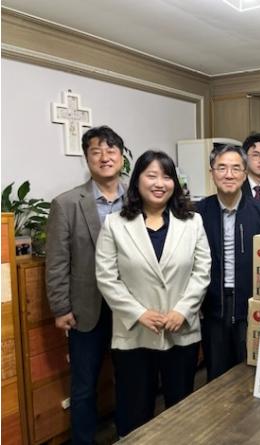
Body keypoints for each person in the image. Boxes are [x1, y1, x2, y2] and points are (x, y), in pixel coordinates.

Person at [95, 150, 211, 436]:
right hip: (135, 332)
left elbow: (202, 271)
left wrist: (182, 310)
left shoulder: (192, 222)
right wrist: (139, 313)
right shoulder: (115, 224)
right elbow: (107, 278)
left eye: (167, 176)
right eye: (152, 176)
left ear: (175, 183)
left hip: (180, 329)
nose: (160, 183)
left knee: (181, 410)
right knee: (134, 411)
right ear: (137, 181)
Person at [45, 125, 127, 445]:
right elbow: (56, 261)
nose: (104, 157)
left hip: (129, 306)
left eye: (111, 150)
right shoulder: (66, 203)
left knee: (130, 379)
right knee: (83, 386)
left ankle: (130, 435)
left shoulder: (138, 198)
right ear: (87, 158)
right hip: (85, 309)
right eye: (96, 151)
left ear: (121, 156)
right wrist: (60, 308)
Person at [196, 145, 260, 381]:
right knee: (216, 374)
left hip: (250, 304)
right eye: (221, 168)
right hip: (213, 306)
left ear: (244, 174)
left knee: (250, 372)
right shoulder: (198, 213)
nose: (229, 175)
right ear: (212, 173)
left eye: (235, 168)